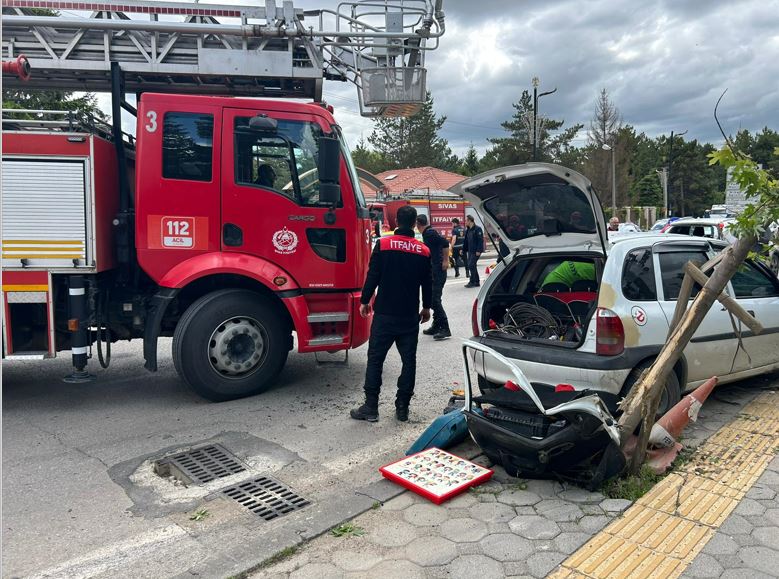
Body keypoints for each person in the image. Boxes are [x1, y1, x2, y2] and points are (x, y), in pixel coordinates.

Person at [350, 205, 433, 423]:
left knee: (375, 360)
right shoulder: (423, 250)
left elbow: (373, 275)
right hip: (408, 317)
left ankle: (370, 407)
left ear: (397, 221)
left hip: (385, 315)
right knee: (409, 362)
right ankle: (402, 407)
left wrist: (365, 300)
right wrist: (427, 307)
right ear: (415, 223)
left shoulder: (384, 245)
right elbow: (428, 282)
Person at [417, 214, 451, 340]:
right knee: (433, 300)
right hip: (434, 270)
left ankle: (444, 328)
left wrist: (445, 261)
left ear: (417, 223)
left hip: (438, 271)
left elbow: (445, 242)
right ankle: (436, 325)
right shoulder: (428, 233)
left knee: (435, 300)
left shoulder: (430, 233)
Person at [462, 215, 484, 288]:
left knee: (471, 265)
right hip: (470, 251)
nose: (465, 222)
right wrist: (463, 250)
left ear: (470, 221)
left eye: (466, 221)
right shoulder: (468, 230)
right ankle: (476, 281)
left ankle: (472, 281)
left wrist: (478, 250)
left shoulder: (478, 229)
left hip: (476, 251)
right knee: (472, 265)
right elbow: (466, 241)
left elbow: (480, 240)